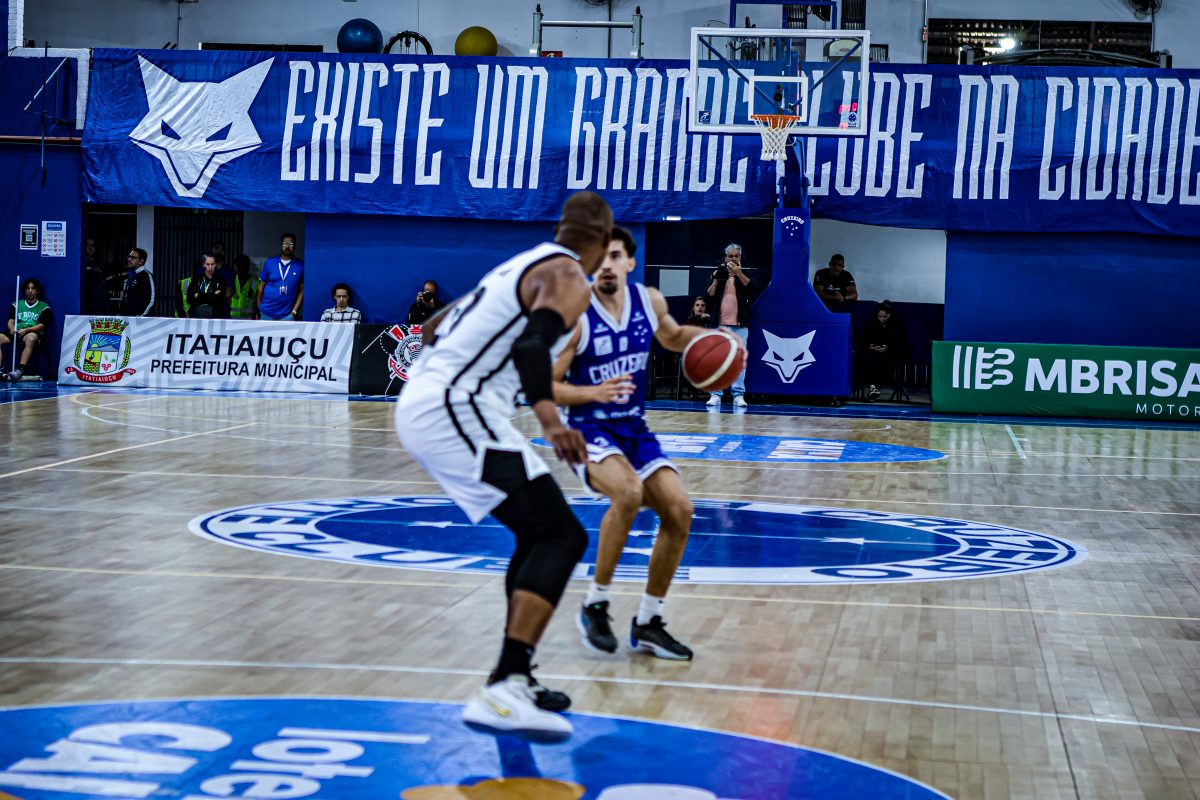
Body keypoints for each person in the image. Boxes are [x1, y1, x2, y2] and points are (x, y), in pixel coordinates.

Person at [395, 191, 613, 738]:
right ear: (603, 241)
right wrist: (551, 421)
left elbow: (431, 328)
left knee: (539, 533)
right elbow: (531, 348)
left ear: (561, 230)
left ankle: (512, 675)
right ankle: (503, 689)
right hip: (454, 405)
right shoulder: (570, 276)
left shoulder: (518, 266)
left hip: (446, 400)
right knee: (561, 536)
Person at [552, 226, 715, 663]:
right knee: (628, 493)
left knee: (679, 510)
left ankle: (648, 621)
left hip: (633, 428)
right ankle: (595, 604)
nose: (606, 264)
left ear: (629, 263)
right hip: (586, 427)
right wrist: (593, 392)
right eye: (598, 257)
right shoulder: (576, 314)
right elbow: (546, 386)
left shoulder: (650, 301)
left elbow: (673, 338)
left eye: (615, 256)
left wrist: (717, 341)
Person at [705, 242, 755, 408]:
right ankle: (715, 394)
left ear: (741, 258)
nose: (733, 259)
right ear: (725, 258)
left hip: (740, 325)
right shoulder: (718, 273)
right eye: (730, 256)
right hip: (719, 324)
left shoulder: (745, 274)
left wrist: (738, 273)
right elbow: (708, 297)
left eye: (736, 256)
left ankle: (738, 395)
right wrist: (714, 280)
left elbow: (752, 291)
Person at [2, 278, 52, 381]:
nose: (30, 291)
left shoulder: (44, 307)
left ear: (37, 291)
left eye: (33, 288)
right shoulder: (16, 304)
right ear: (24, 291)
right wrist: (12, 329)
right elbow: (10, 320)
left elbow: (41, 325)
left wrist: (27, 330)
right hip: (17, 331)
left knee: (31, 338)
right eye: (27, 288)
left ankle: (20, 370)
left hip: (31, 332)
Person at [857, 300, 904, 402]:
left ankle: (874, 388)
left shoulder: (896, 324)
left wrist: (887, 347)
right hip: (872, 351)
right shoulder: (871, 323)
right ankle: (873, 387)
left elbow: (900, 342)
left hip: (889, 352)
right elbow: (863, 340)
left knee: (883, 359)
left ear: (889, 315)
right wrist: (871, 346)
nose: (881, 319)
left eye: (884, 317)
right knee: (869, 357)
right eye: (880, 316)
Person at [257, 233, 304, 320]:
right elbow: (260, 288)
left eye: (290, 244)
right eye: (285, 243)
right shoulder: (270, 263)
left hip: (287, 316)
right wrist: (260, 308)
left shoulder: (300, 266)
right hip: (266, 313)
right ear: (281, 245)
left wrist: (294, 312)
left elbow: (302, 290)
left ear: (294, 246)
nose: (287, 246)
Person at [187, 254, 230, 319]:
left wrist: (198, 295)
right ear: (203, 265)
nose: (210, 267)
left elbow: (218, 300)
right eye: (208, 264)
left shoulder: (221, 280)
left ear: (216, 265)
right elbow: (189, 299)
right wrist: (212, 296)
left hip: (215, 317)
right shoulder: (196, 279)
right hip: (197, 317)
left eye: (212, 264)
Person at [120, 248, 155, 317]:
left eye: (133, 258)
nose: (129, 259)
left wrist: (140, 316)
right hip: (127, 318)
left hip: (139, 319)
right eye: (129, 257)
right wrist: (121, 313)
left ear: (141, 261)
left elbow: (151, 300)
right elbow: (126, 296)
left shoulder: (146, 276)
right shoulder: (130, 275)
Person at [83, 238, 110, 315]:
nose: (90, 248)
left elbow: (105, 282)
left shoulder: (99, 263)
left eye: (92, 245)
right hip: (87, 305)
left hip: (101, 305)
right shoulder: (79, 263)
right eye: (87, 245)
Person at [229, 254, 259, 320]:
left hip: (249, 320)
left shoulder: (255, 281)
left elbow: (259, 301)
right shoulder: (232, 279)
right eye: (237, 265)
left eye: (241, 265)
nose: (238, 268)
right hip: (233, 320)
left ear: (247, 267)